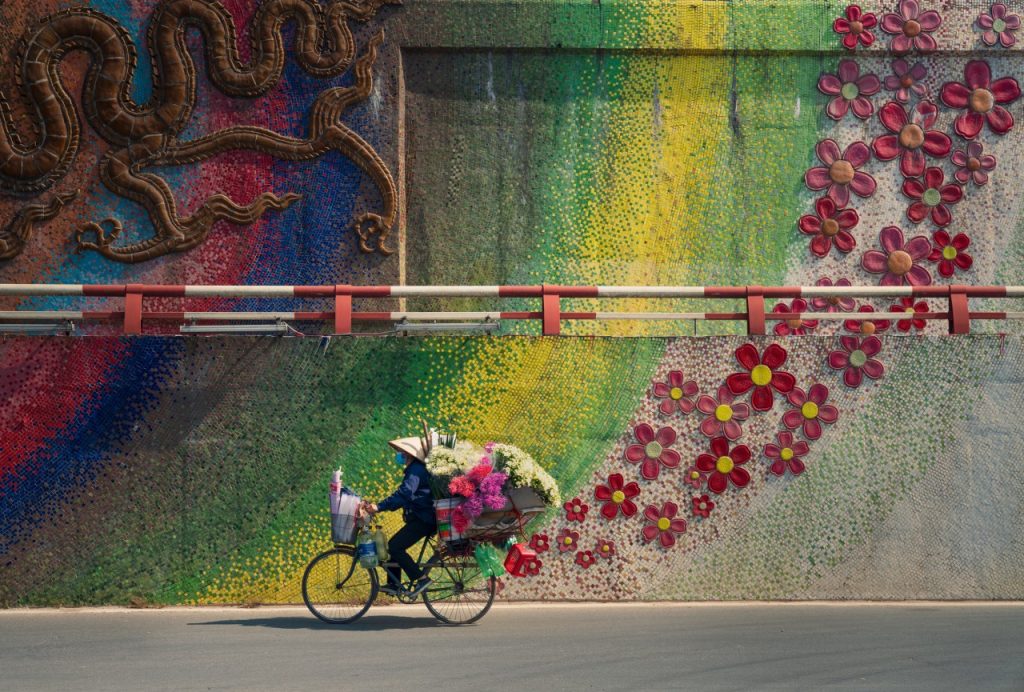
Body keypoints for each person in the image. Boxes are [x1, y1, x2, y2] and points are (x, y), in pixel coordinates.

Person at [362, 436, 436, 597]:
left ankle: (421, 579)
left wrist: (379, 507)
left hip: (423, 519)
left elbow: (404, 494)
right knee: (393, 545)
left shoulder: (416, 470)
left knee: (395, 547)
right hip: (420, 517)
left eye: (402, 452)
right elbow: (404, 495)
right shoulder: (415, 469)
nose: (399, 455)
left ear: (409, 455)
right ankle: (394, 584)